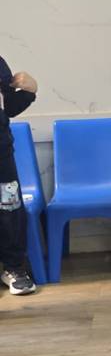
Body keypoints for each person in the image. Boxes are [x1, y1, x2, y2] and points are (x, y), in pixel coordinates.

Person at [0, 57, 38, 296]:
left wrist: (29, 90)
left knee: (10, 210)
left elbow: (9, 107)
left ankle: (14, 268)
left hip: (2, 154)